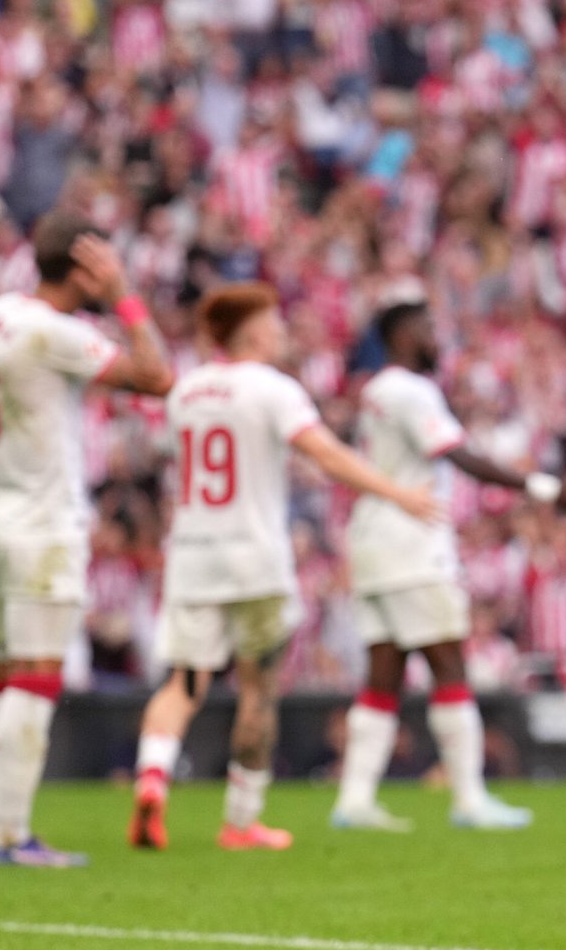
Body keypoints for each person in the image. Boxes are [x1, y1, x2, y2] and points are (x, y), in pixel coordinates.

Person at [126, 283, 437, 852]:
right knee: (258, 688)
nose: (281, 332)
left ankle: (152, 780)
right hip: (255, 561)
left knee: (183, 683)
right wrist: (395, 493)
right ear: (250, 331)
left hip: (194, 556)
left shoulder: (186, 392)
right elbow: (325, 453)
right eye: (272, 323)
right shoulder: (273, 389)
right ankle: (241, 821)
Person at [0, 211, 173, 866]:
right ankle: (8, 836)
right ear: (85, 266)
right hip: (43, 525)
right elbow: (157, 377)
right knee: (36, 677)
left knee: (0, 674)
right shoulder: (55, 332)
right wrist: (124, 298)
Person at [331, 301, 566, 832]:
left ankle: (354, 800)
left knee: (384, 674)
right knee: (449, 664)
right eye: (425, 329)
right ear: (400, 335)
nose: (435, 337)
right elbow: (459, 455)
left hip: (372, 543)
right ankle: (469, 798)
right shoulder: (410, 389)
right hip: (412, 544)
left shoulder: (376, 390)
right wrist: (547, 488)